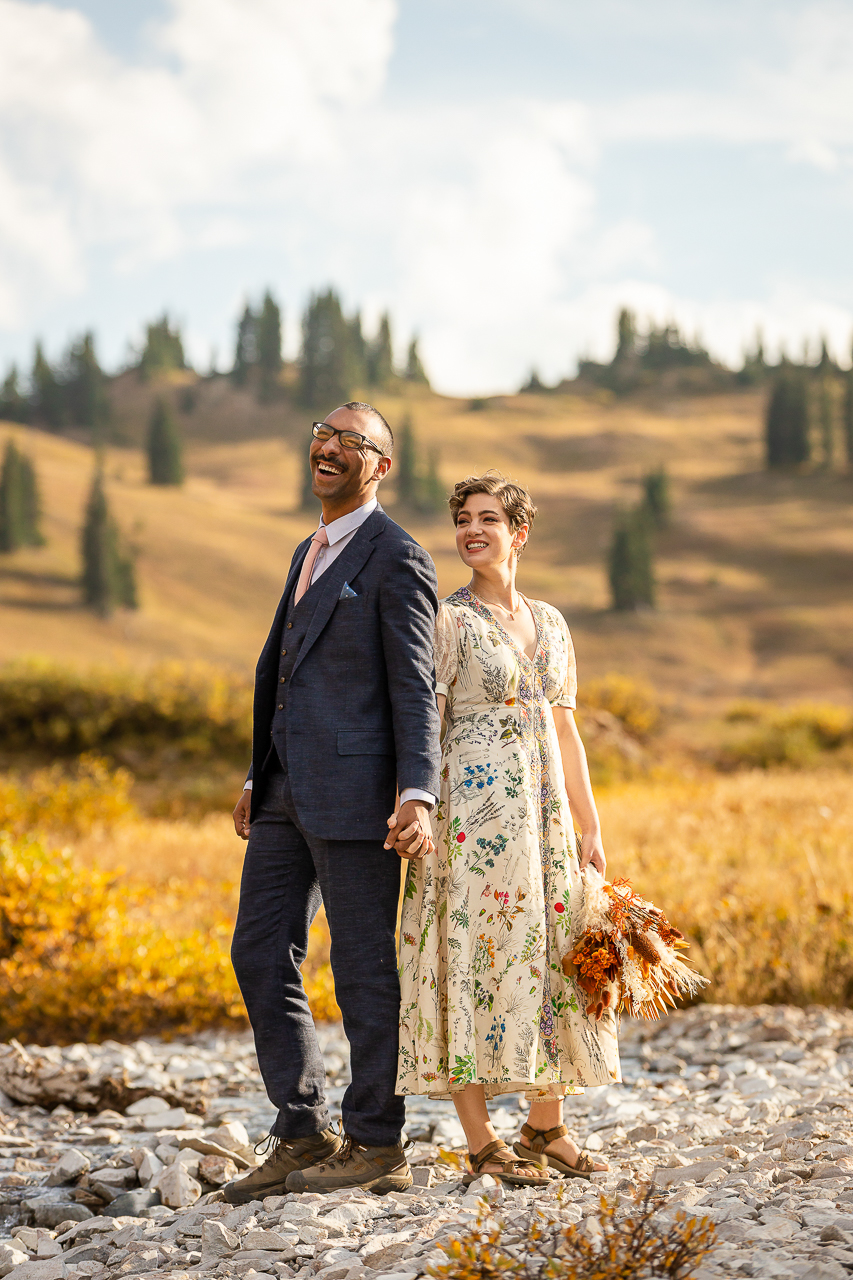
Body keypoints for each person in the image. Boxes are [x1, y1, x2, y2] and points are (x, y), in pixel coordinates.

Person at [225, 402, 442, 1201]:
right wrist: (258, 772)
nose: (330, 446)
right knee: (257, 951)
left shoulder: (398, 558)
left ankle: (379, 1140)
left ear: (381, 466)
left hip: (359, 799)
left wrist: (417, 792)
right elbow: (287, 673)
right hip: (282, 789)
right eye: (324, 430)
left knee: (360, 971)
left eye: (354, 440)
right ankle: (299, 1127)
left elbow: (412, 688)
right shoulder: (305, 549)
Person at [394, 472, 620, 1187]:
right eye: (463, 519)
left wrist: (589, 826)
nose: (471, 530)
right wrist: (419, 805)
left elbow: (565, 729)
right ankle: (480, 1137)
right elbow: (424, 722)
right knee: (464, 956)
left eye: (488, 518)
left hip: (545, 819)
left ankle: (545, 1128)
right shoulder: (448, 620)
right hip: (471, 823)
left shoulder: (551, 622)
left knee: (554, 954)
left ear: (518, 533)